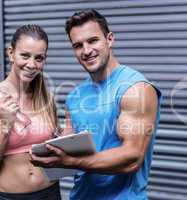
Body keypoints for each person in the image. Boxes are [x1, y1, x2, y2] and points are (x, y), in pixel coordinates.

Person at [30, 9, 162, 200]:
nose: (86, 51)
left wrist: (72, 161)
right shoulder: (75, 97)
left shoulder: (135, 88)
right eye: (78, 45)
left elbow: (132, 157)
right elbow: (68, 150)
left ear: (109, 39)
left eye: (92, 41)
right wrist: (47, 150)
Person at [0, 24, 61, 200]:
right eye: (25, 55)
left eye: (39, 58)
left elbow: (54, 149)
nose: (31, 64)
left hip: (51, 192)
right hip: (11, 197)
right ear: (11, 53)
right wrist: (5, 126)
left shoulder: (46, 97)